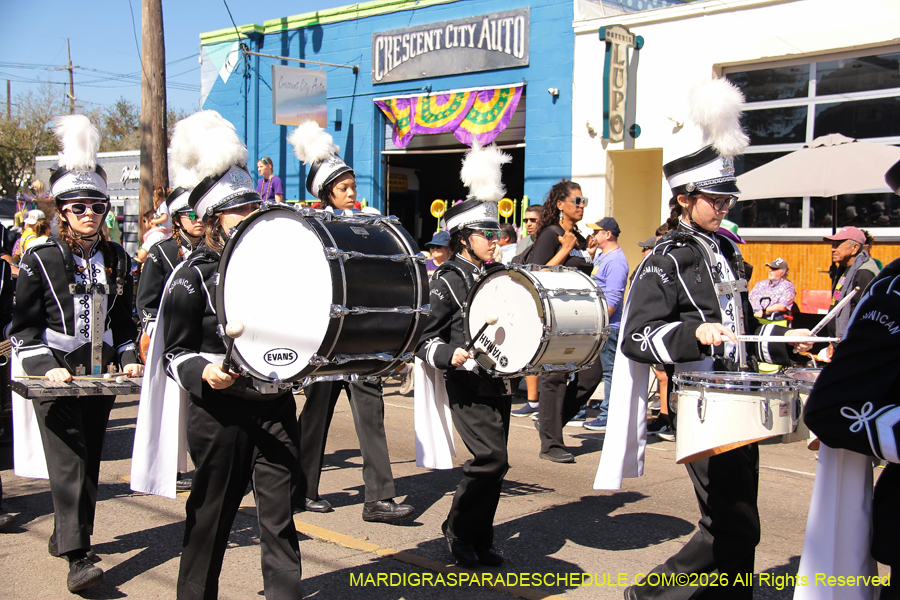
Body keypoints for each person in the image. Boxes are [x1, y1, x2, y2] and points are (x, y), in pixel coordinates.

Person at [591, 78, 813, 600]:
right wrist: (697, 332)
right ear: (684, 198)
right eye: (715, 198)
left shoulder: (727, 252)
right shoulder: (667, 257)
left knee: (741, 521)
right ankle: (649, 595)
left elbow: (744, 330)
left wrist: (787, 343)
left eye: (727, 197)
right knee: (732, 524)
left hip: (740, 395)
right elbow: (637, 337)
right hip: (702, 402)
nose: (724, 206)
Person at [155, 110, 302, 599]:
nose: (253, 217)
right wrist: (207, 370)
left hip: (276, 405)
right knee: (211, 518)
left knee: (280, 519)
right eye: (240, 211)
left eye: (255, 207)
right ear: (212, 220)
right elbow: (172, 353)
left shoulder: (275, 269)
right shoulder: (191, 274)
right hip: (220, 413)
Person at [9, 115, 142, 593]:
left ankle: (68, 535)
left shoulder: (120, 259)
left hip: (100, 376)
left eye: (96, 206)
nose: (89, 213)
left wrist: (126, 355)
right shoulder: (39, 258)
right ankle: (78, 555)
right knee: (68, 461)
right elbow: (22, 329)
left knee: (88, 463)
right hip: (53, 373)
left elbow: (124, 322)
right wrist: (47, 368)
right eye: (78, 206)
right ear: (62, 211)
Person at [288, 120, 413, 522]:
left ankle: (378, 498)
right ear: (326, 192)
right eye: (344, 188)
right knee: (315, 416)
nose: (352, 193)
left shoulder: (368, 223)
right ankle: (301, 489)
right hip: (326, 339)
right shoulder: (309, 228)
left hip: (361, 336)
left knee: (371, 415)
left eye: (353, 186)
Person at [414, 142, 512, 567]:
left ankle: (480, 537)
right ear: (463, 239)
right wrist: (449, 354)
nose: (494, 241)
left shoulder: (499, 275)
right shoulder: (448, 280)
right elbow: (423, 338)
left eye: (496, 234)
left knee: (497, 466)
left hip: (499, 380)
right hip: (468, 383)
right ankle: (457, 527)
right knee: (491, 459)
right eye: (486, 235)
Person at [134, 186, 204, 493]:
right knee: (173, 409)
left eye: (202, 213)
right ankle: (171, 468)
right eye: (191, 214)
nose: (198, 219)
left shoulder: (216, 249)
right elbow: (146, 302)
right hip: (170, 340)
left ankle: (207, 465)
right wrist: (157, 334)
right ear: (177, 219)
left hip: (204, 342)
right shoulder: (161, 251)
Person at [529, 180, 603, 460]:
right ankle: (551, 444)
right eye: (577, 201)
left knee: (591, 374)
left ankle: (551, 422)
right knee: (555, 376)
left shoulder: (581, 238)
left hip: (580, 315)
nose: (581, 206)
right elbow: (534, 273)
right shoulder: (551, 234)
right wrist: (565, 249)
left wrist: (587, 253)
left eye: (583, 201)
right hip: (556, 316)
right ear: (561, 205)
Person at [583, 217, 628, 432]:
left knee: (609, 372)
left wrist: (601, 323)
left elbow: (613, 298)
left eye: (597, 232)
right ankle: (586, 411)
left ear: (608, 234)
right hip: (599, 324)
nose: (594, 236)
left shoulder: (617, 261)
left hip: (609, 327)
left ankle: (607, 415)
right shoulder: (603, 256)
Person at [824, 225, 880, 351]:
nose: (833, 249)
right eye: (833, 244)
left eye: (838, 245)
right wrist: (833, 341)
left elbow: (869, 315)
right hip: (841, 342)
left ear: (854, 248)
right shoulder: (845, 269)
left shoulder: (865, 273)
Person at [749, 257, 795, 322]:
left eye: (774, 269)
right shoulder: (760, 284)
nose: (770, 270)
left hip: (769, 317)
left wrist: (763, 312)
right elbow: (749, 299)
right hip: (751, 315)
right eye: (770, 268)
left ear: (783, 272)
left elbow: (783, 306)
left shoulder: (787, 286)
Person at [135, 188, 172, 264]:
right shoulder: (167, 205)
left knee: (146, 235)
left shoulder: (163, 205)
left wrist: (154, 221)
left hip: (163, 228)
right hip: (166, 229)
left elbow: (164, 218)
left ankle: (144, 257)